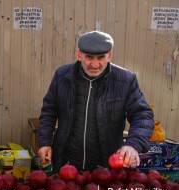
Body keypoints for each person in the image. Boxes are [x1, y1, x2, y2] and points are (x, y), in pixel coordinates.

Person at [38, 30, 154, 173]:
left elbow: (142, 115)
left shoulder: (125, 80)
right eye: (89, 57)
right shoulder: (62, 76)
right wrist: (44, 143)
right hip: (66, 163)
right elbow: (49, 111)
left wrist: (133, 144)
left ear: (109, 55)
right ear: (79, 55)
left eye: (101, 58)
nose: (94, 64)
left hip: (106, 167)